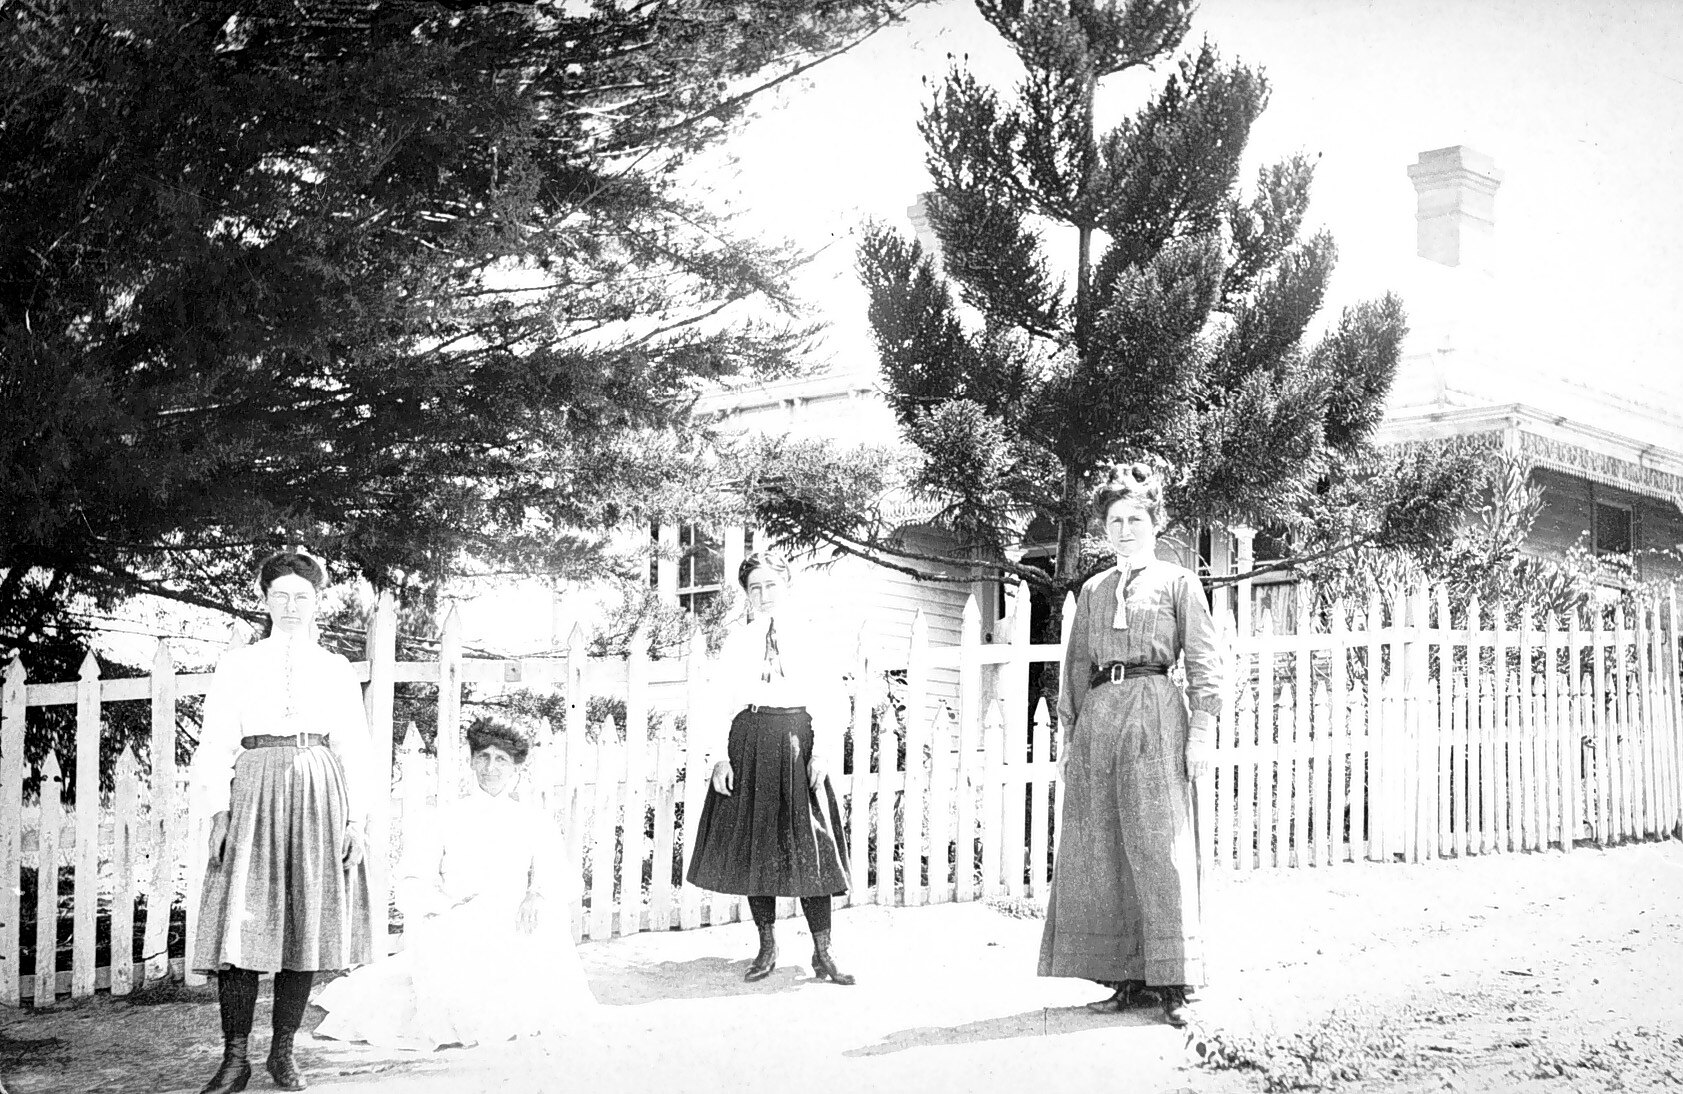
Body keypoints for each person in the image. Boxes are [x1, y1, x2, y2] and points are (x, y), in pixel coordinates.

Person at [1037, 464, 1225, 1028]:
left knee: (1159, 843)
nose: (1125, 530)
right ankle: (1127, 980)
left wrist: (1201, 731)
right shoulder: (1094, 590)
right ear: (1105, 527)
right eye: (1115, 521)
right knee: (1105, 848)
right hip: (1100, 718)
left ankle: (1175, 984)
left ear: (1155, 522)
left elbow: (1206, 662)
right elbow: (1075, 668)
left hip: (1156, 712)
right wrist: (1069, 738)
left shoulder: (1178, 583)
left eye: (1135, 519)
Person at [189, 550, 379, 1093]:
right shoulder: (238, 664)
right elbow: (215, 742)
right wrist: (219, 811)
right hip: (253, 790)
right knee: (241, 925)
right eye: (280, 596)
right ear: (265, 600)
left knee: (304, 925)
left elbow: (354, 746)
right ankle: (234, 1059)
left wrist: (357, 822)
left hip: (319, 790)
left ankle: (282, 1053)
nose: (291, 606)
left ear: (318, 602)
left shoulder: (335, 668)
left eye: (302, 597)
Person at [313, 717, 594, 1050]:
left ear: (516, 766)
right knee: (443, 1000)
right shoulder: (445, 817)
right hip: (458, 918)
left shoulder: (533, 819)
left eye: (502, 759)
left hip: (512, 920)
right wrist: (443, 905)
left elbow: (561, 875)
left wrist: (536, 894)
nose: (491, 767)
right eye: (483, 757)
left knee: (540, 952)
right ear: (471, 761)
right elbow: (412, 878)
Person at [685, 552, 855, 985]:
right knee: (756, 845)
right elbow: (715, 701)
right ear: (747, 594)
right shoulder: (737, 642)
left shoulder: (811, 637)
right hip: (750, 741)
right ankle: (766, 946)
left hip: (797, 743)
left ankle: (824, 951)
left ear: (787, 586)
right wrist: (718, 757)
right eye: (755, 588)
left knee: (812, 847)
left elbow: (832, 698)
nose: (763, 595)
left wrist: (822, 753)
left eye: (771, 585)